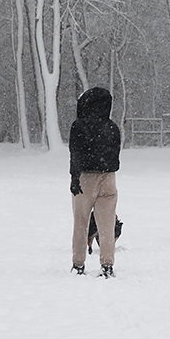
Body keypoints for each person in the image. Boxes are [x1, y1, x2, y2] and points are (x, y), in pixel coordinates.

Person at [69, 87, 121, 277]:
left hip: (85, 177)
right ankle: (107, 265)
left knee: (81, 221)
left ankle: (78, 264)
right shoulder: (112, 127)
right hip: (109, 178)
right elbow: (116, 154)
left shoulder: (79, 126)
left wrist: (74, 177)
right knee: (106, 225)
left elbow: (75, 153)